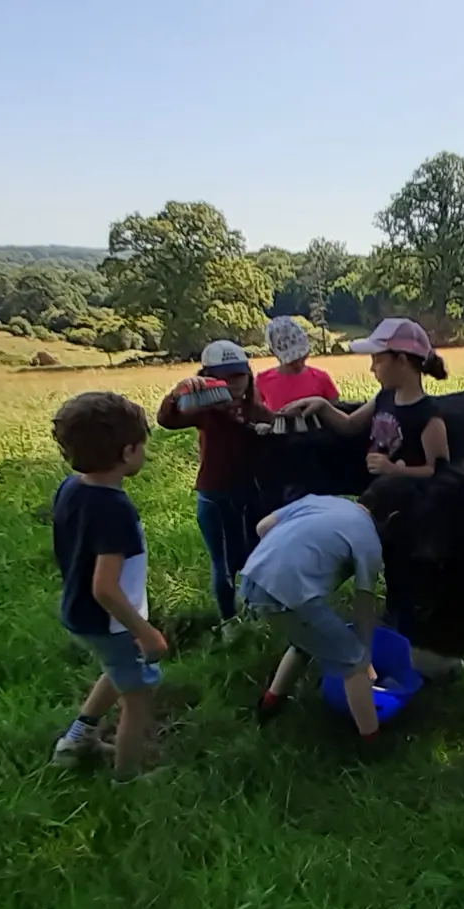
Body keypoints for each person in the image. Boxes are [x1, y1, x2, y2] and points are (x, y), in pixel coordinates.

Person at [241, 482, 411, 749]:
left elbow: (262, 527)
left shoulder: (320, 501)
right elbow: (364, 605)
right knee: (352, 660)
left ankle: (269, 705)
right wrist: (365, 657)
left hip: (251, 579)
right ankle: (373, 743)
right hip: (287, 596)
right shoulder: (368, 540)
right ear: (393, 518)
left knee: (305, 642)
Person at [48, 390, 166, 780]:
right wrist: (145, 632)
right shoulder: (115, 509)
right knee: (136, 697)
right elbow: (105, 587)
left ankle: (76, 739)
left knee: (116, 671)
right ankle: (128, 779)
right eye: (142, 447)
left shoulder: (71, 488)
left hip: (79, 612)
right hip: (111, 622)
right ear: (128, 451)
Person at [157, 341, 273, 623]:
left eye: (238, 376)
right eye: (223, 377)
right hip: (215, 497)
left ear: (248, 375)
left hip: (252, 497)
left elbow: (278, 428)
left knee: (253, 558)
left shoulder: (256, 408)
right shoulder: (203, 409)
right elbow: (167, 420)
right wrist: (178, 391)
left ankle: (254, 614)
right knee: (223, 565)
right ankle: (228, 621)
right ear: (208, 378)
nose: (233, 384)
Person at [282, 317, 450, 478]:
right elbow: (350, 425)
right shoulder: (384, 397)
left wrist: (393, 470)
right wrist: (322, 405)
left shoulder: (428, 415)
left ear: (401, 360)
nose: (372, 368)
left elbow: (437, 471)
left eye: (378, 360)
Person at [256, 315, 342, 413]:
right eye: (291, 362)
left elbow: (337, 414)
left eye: (300, 358)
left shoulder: (321, 378)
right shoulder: (262, 380)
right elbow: (256, 413)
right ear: (273, 352)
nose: (297, 364)